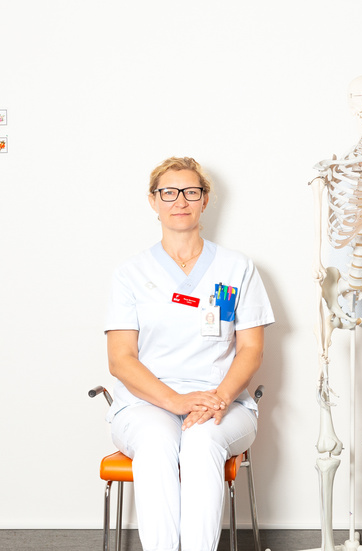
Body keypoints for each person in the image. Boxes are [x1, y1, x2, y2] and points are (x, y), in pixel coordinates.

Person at [105, 157, 274, 551]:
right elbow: (121, 359)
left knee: (200, 443)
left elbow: (250, 350)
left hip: (222, 402)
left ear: (205, 200)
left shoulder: (237, 268)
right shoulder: (130, 274)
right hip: (146, 403)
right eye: (168, 192)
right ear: (153, 201)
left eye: (191, 192)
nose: (179, 200)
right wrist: (176, 400)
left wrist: (218, 398)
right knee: (156, 443)